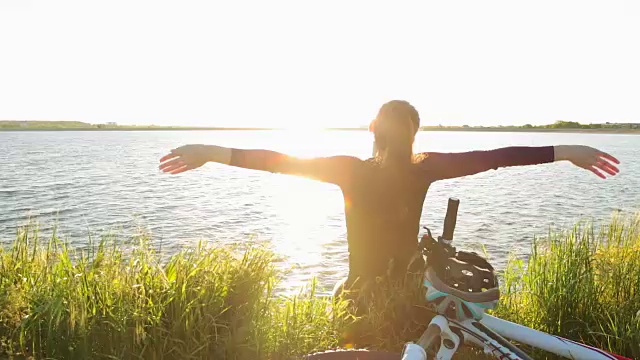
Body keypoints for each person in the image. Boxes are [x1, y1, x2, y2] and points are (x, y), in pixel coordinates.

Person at [159, 100, 620, 300]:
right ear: (414, 133)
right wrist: (567, 152)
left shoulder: (350, 169)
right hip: (412, 288)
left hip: (359, 291)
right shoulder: (426, 167)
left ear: (373, 130)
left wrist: (211, 154)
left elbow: (278, 160)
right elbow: (494, 157)